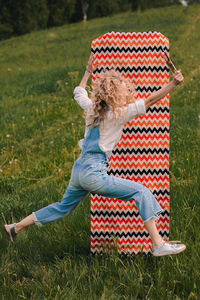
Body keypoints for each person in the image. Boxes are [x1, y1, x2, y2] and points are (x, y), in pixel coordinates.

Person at [4, 54, 186, 256]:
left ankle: (15, 227)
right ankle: (159, 244)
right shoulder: (118, 114)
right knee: (141, 192)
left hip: (79, 170)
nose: (128, 94)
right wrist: (173, 84)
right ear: (115, 95)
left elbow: (78, 93)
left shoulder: (92, 108)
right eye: (125, 91)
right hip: (93, 173)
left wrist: (87, 72)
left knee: (62, 207)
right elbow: (150, 100)